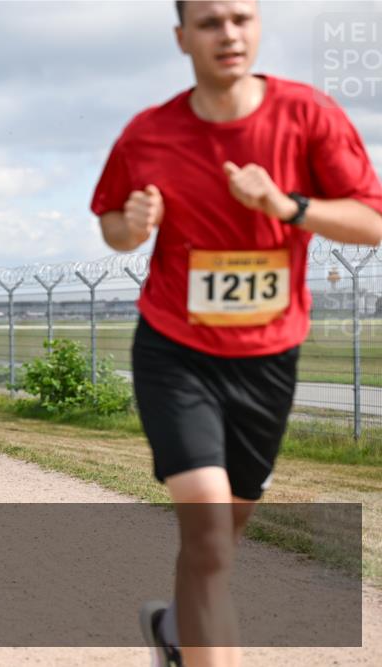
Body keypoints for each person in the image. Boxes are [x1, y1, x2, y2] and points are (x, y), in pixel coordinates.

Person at [90, 2, 382, 665]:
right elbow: (111, 224)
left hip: (268, 358)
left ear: (257, 27)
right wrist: (133, 227)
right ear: (181, 37)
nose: (228, 33)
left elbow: (372, 218)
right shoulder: (149, 134)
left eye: (242, 17)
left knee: (218, 540)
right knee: (212, 536)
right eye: (210, 21)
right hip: (175, 351)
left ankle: (174, 634)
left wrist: (287, 205)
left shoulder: (308, 115)